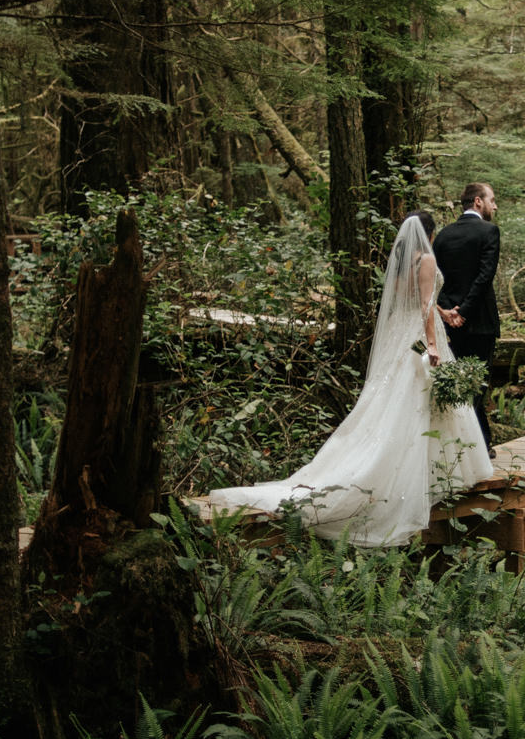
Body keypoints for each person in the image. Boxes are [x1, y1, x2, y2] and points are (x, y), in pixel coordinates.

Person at [204, 212, 492, 547]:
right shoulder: (426, 258)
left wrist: (444, 313)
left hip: (402, 335)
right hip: (419, 336)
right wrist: (431, 343)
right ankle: (435, 473)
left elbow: (414, 299)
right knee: (419, 403)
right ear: (429, 233)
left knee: (395, 402)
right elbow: (425, 303)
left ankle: (422, 470)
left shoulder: (401, 260)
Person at [433, 182, 501, 457]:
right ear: (477, 202)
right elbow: (485, 277)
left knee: (460, 382)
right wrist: (465, 311)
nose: (495, 206)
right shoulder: (489, 231)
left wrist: (450, 312)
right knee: (477, 384)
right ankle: (479, 446)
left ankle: (476, 442)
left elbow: (439, 279)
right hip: (479, 322)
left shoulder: (443, 235)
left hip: (451, 323)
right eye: (492, 200)